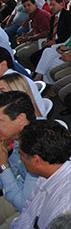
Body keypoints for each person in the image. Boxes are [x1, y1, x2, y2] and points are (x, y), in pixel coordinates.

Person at [12, 119, 71, 229]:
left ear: (36, 160)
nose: (21, 158)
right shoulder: (69, 161)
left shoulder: (69, 211)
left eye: (21, 155)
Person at [0, 91, 38, 228]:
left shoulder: (37, 148)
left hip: (35, 209)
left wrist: (3, 164)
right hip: (19, 191)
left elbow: (24, 205)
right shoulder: (19, 137)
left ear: (21, 119)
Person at [34, 4, 71, 85]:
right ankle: (39, 78)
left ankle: (48, 85)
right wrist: (65, 50)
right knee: (47, 52)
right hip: (70, 52)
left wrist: (70, 56)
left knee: (52, 64)